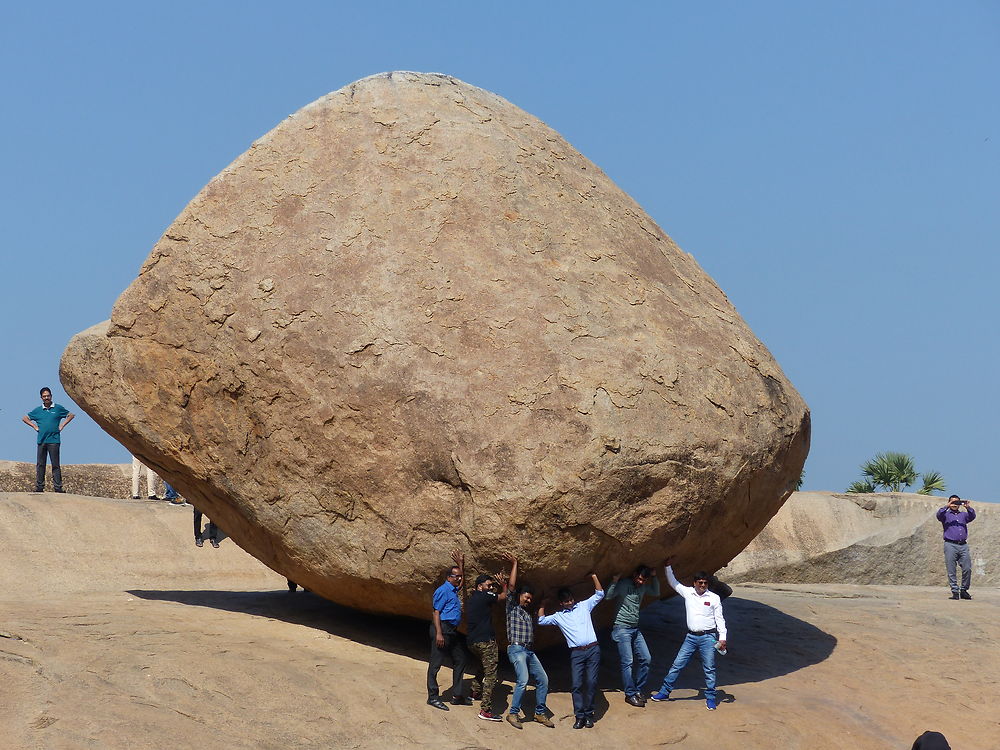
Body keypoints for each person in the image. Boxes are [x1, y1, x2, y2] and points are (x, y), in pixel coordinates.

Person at [651, 560, 728, 710]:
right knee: (677, 665)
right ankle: (665, 692)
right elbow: (673, 582)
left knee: (709, 668)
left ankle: (711, 698)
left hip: (708, 638)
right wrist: (667, 567)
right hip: (691, 637)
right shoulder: (688, 593)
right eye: (700, 582)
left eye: (705, 583)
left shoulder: (713, 598)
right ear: (694, 583)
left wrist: (723, 638)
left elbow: (720, 619)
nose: (703, 585)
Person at [538, 574, 605, 729]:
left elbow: (600, 594)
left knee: (591, 682)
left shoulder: (583, 606)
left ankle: (589, 714)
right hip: (577, 653)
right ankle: (579, 716)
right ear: (561, 603)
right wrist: (542, 604)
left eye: (571, 599)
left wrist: (594, 576)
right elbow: (541, 621)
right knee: (576, 684)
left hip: (593, 649)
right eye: (566, 601)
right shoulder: (559, 616)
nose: (570, 602)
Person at [504, 556, 554, 729]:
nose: (528, 600)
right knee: (523, 680)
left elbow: (539, 617)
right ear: (519, 596)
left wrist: (543, 603)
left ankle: (539, 713)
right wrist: (515, 564)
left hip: (529, 651)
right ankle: (513, 713)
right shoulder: (512, 607)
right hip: (516, 649)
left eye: (530, 598)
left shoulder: (527, 613)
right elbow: (511, 587)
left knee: (543, 679)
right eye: (526, 597)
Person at [605, 564, 660, 706]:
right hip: (621, 628)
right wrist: (614, 581)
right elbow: (608, 596)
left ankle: (637, 689)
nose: (641, 582)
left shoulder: (643, 587)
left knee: (646, 658)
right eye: (640, 578)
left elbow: (655, 592)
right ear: (635, 574)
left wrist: (654, 577)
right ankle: (629, 694)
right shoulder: (624, 584)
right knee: (628, 662)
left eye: (644, 580)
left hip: (635, 628)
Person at [466, 564, 508, 722]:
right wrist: (503, 584)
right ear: (479, 586)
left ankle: (474, 692)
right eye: (488, 585)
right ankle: (486, 710)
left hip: (472, 642)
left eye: (492, 585)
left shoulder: (473, 598)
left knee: (482, 667)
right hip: (485, 641)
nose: (491, 587)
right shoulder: (484, 596)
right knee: (491, 675)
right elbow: (504, 596)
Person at [427, 551, 469, 710]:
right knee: (436, 664)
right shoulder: (443, 590)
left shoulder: (453, 589)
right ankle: (432, 697)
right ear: (448, 577)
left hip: (452, 631)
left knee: (461, 659)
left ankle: (457, 694)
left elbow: (462, 582)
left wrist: (460, 565)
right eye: (455, 576)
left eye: (459, 576)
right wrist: (438, 633)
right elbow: (436, 612)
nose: (458, 578)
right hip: (442, 629)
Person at [23, 387, 75, 493]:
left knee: (55, 464)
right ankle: (39, 487)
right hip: (42, 440)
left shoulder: (58, 408)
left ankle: (58, 487)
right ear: (41, 398)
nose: (46, 398)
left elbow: (70, 415)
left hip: (54, 440)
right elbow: (25, 418)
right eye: (44, 396)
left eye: (48, 396)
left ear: (51, 396)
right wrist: (34, 426)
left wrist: (62, 425)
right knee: (40, 464)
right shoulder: (38, 410)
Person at [936, 494, 976, 600]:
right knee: (951, 569)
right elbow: (939, 515)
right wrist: (946, 506)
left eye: (957, 502)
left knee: (967, 568)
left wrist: (968, 508)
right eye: (952, 502)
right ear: (949, 503)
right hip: (950, 544)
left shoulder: (963, 515)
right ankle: (954, 591)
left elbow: (972, 517)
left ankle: (963, 590)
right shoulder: (945, 515)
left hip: (963, 545)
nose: (954, 504)